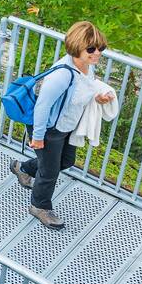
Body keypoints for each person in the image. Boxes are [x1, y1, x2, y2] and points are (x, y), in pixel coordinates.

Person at [11, 20, 116, 229]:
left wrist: (97, 98)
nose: (98, 53)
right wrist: (38, 138)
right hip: (49, 130)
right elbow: (42, 107)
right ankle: (39, 206)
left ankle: (22, 167)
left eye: (100, 48)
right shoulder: (61, 75)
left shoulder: (86, 68)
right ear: (77, 47)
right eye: (92, 49)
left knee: (65, 161)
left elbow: (82, 91)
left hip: (67, 127)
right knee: (49, 172)